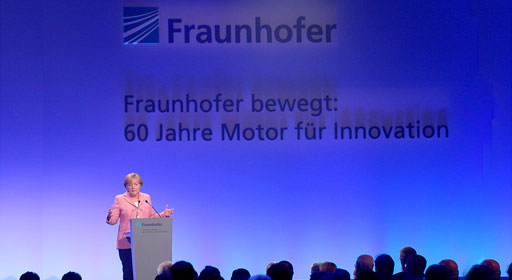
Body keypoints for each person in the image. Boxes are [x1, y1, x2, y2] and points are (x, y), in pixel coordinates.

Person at [106, 173, 174, 280]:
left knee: (144, 270)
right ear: (126, 186)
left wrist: (164, 214)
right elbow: (113, 221)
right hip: (126, 242)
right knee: (128, 271)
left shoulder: (146, 197)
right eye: (130, 185)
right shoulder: (120, 199)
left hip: (144, 241)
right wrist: (109, 215)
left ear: (140, 185)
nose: (133, 187)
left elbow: (151, 216)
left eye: (136, 184)